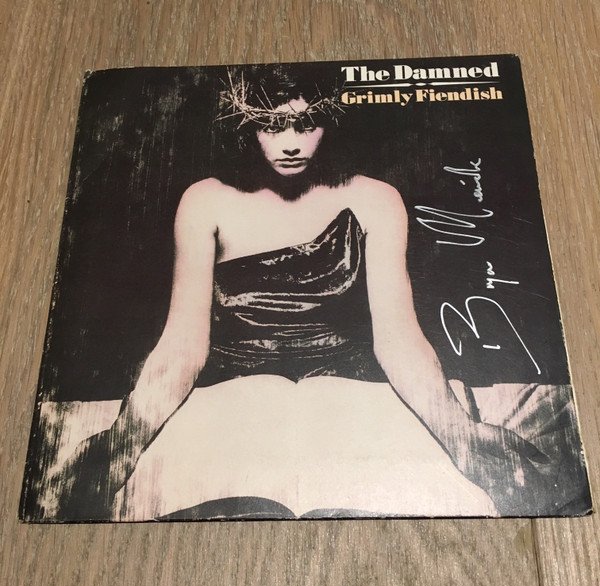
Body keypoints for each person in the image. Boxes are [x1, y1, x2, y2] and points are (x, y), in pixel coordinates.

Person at [52, 65, 550, 521]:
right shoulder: (205, 200)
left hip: (349, 390)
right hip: (233, 393)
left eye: (306, 123)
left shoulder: (375, 199)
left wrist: (462, 435)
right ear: (245, 126)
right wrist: (121, 444)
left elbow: (398, 338)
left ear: (330, 123)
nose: (291, 143)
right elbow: (183, 345)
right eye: (271, 125)